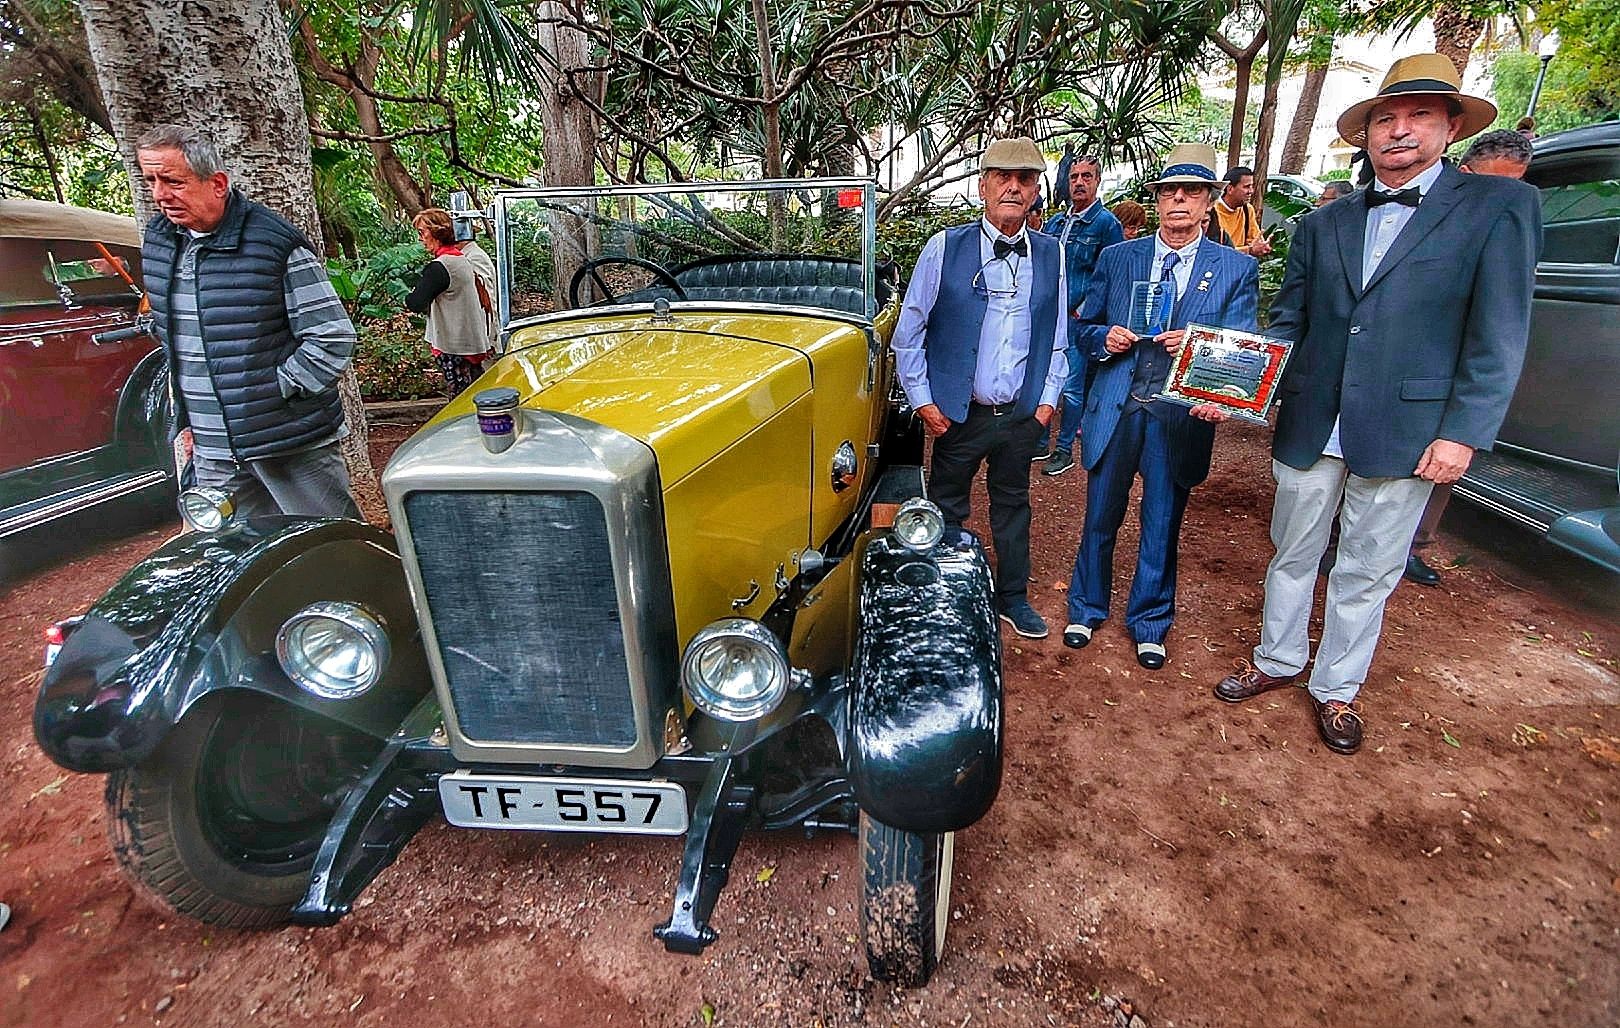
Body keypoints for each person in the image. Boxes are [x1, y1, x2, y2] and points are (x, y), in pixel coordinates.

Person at [1213, 54, 1541, 755]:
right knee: (1291, 551)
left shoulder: (1499, 207)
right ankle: (1276, 661)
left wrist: (1463, 433)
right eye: (1385, 119)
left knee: (1368, 566)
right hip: (1312, 419)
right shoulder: (1323, 223)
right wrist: (1234, 383)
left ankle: (1336, 687)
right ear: (1365, 136)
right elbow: (1289, 322)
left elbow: (1499, 334)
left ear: (1450, 126)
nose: (1399, 130)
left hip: (1408, 426)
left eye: (1419, 115)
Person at [1062, 142, 1259, 668]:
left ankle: (1150, 622)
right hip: (1117, 405)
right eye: (1168, 191)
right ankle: (1085, 607)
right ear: (1156, 200)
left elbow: (1242, 348)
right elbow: (1081, 328)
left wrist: (1200, 352)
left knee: (1162, 522)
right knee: (1100, 516)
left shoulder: (1234, 269)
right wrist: (1107, 339)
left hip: (1178, 414)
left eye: (1191, 192)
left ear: (1207, 201)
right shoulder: (1117, 257)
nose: (1178, 200)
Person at [136, 124, 361, 520]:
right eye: (151, 180)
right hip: (213, 454)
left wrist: (274, 392)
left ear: (217, 183)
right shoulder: (160, 241)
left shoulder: (273, 244)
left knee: (329, 556)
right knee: (233, 561)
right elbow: (182, 339)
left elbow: (332, 336)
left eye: (173, 181)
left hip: (290, 444)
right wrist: (189, 420)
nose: (159, 195)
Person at [892, 136, 1067, 639]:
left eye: (1025, 180)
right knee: (948, 508)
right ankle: (946, 598)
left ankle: (1012, 597)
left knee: (1013, 505)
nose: (1013, 187)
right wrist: (926, 404)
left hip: (1020, 416)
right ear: (983, 186)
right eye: (1003, 178)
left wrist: (1046, 404)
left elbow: (1057, 336)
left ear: (1037, 191)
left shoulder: (1053, 255)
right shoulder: (946, 246)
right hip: (958, 414)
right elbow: (910, 331)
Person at [1403, 127, 1535, 585]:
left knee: (1440, 466)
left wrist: (1466, 430)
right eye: (1492, 182)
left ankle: (1414, 544)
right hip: (1403, 374)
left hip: (1455, 376)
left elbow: (1501, 331)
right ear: (1465, 173)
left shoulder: (1510, 224)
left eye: (1514, 185)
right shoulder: (1425, 218)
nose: (1501, 196)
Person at [1036, 153, 1125, 476]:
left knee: (1072, 387)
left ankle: (1063, 450)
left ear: (1097, 180)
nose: (1079, 183)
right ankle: (1039, 441)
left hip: (1077, 321)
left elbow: (1114, 274)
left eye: (1087, 176)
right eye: (1074, 177)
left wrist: (1086, 313)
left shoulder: (1106, 224)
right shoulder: (1057, 222)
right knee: (1044, 379)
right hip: (1048, 315)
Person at [406, 208, 498, 399]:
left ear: (437, 233)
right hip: (468, 344)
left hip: (455, 348)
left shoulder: (442, 266)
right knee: (472, 396)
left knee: (461, 400)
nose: (420, 239)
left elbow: (415, 302)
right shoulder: (460, 260)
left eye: (422, 233)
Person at [1213, 166, 1273, 258]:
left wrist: (1262, 246)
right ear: (1230, 189)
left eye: (1252, 186)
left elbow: (1254, 241)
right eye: (1246, 187)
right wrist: (1248, 250)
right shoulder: (1212, 211)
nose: (1251, 191)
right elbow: (1215, 252)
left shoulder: (1247, 210)